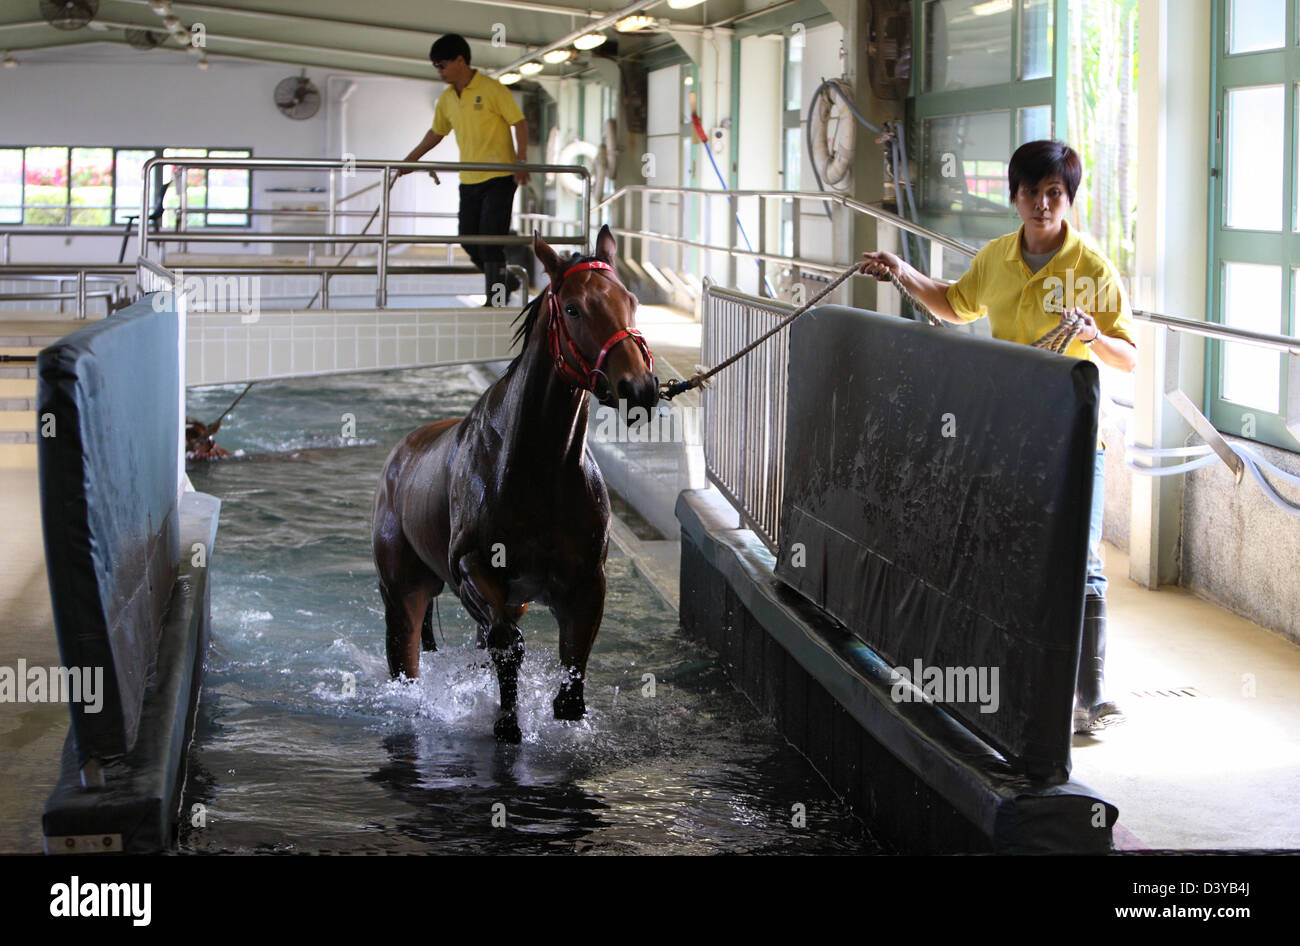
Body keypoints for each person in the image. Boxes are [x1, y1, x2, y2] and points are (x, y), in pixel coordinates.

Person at [859, 139, 1137, 735]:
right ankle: (1012, 678)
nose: (1042, 203)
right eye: (1032, 192)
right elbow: (955, 305)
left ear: (1068, 199)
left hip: (1075, 437)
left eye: (1054, 193)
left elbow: (1129, 357)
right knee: (1009, 550)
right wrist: (901, 270)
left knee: (1084, 561)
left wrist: (1092, 333)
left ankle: (1091, 697)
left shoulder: (1093, 270)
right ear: (1015, 197)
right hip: (1013, 433)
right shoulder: (995, 259)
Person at [401, 34, 529, 305]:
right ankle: (507, 281)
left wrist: (521, 161)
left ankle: (495, 299)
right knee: (468, 240)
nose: (439, 71)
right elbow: (436, 133)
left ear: (460, 61)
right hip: (469, 179)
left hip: (500, 178)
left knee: (490, 243)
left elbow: (519, 123)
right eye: (436, 66)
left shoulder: (492, 89)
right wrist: (409, 161)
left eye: (442, 64)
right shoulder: (447, 99)